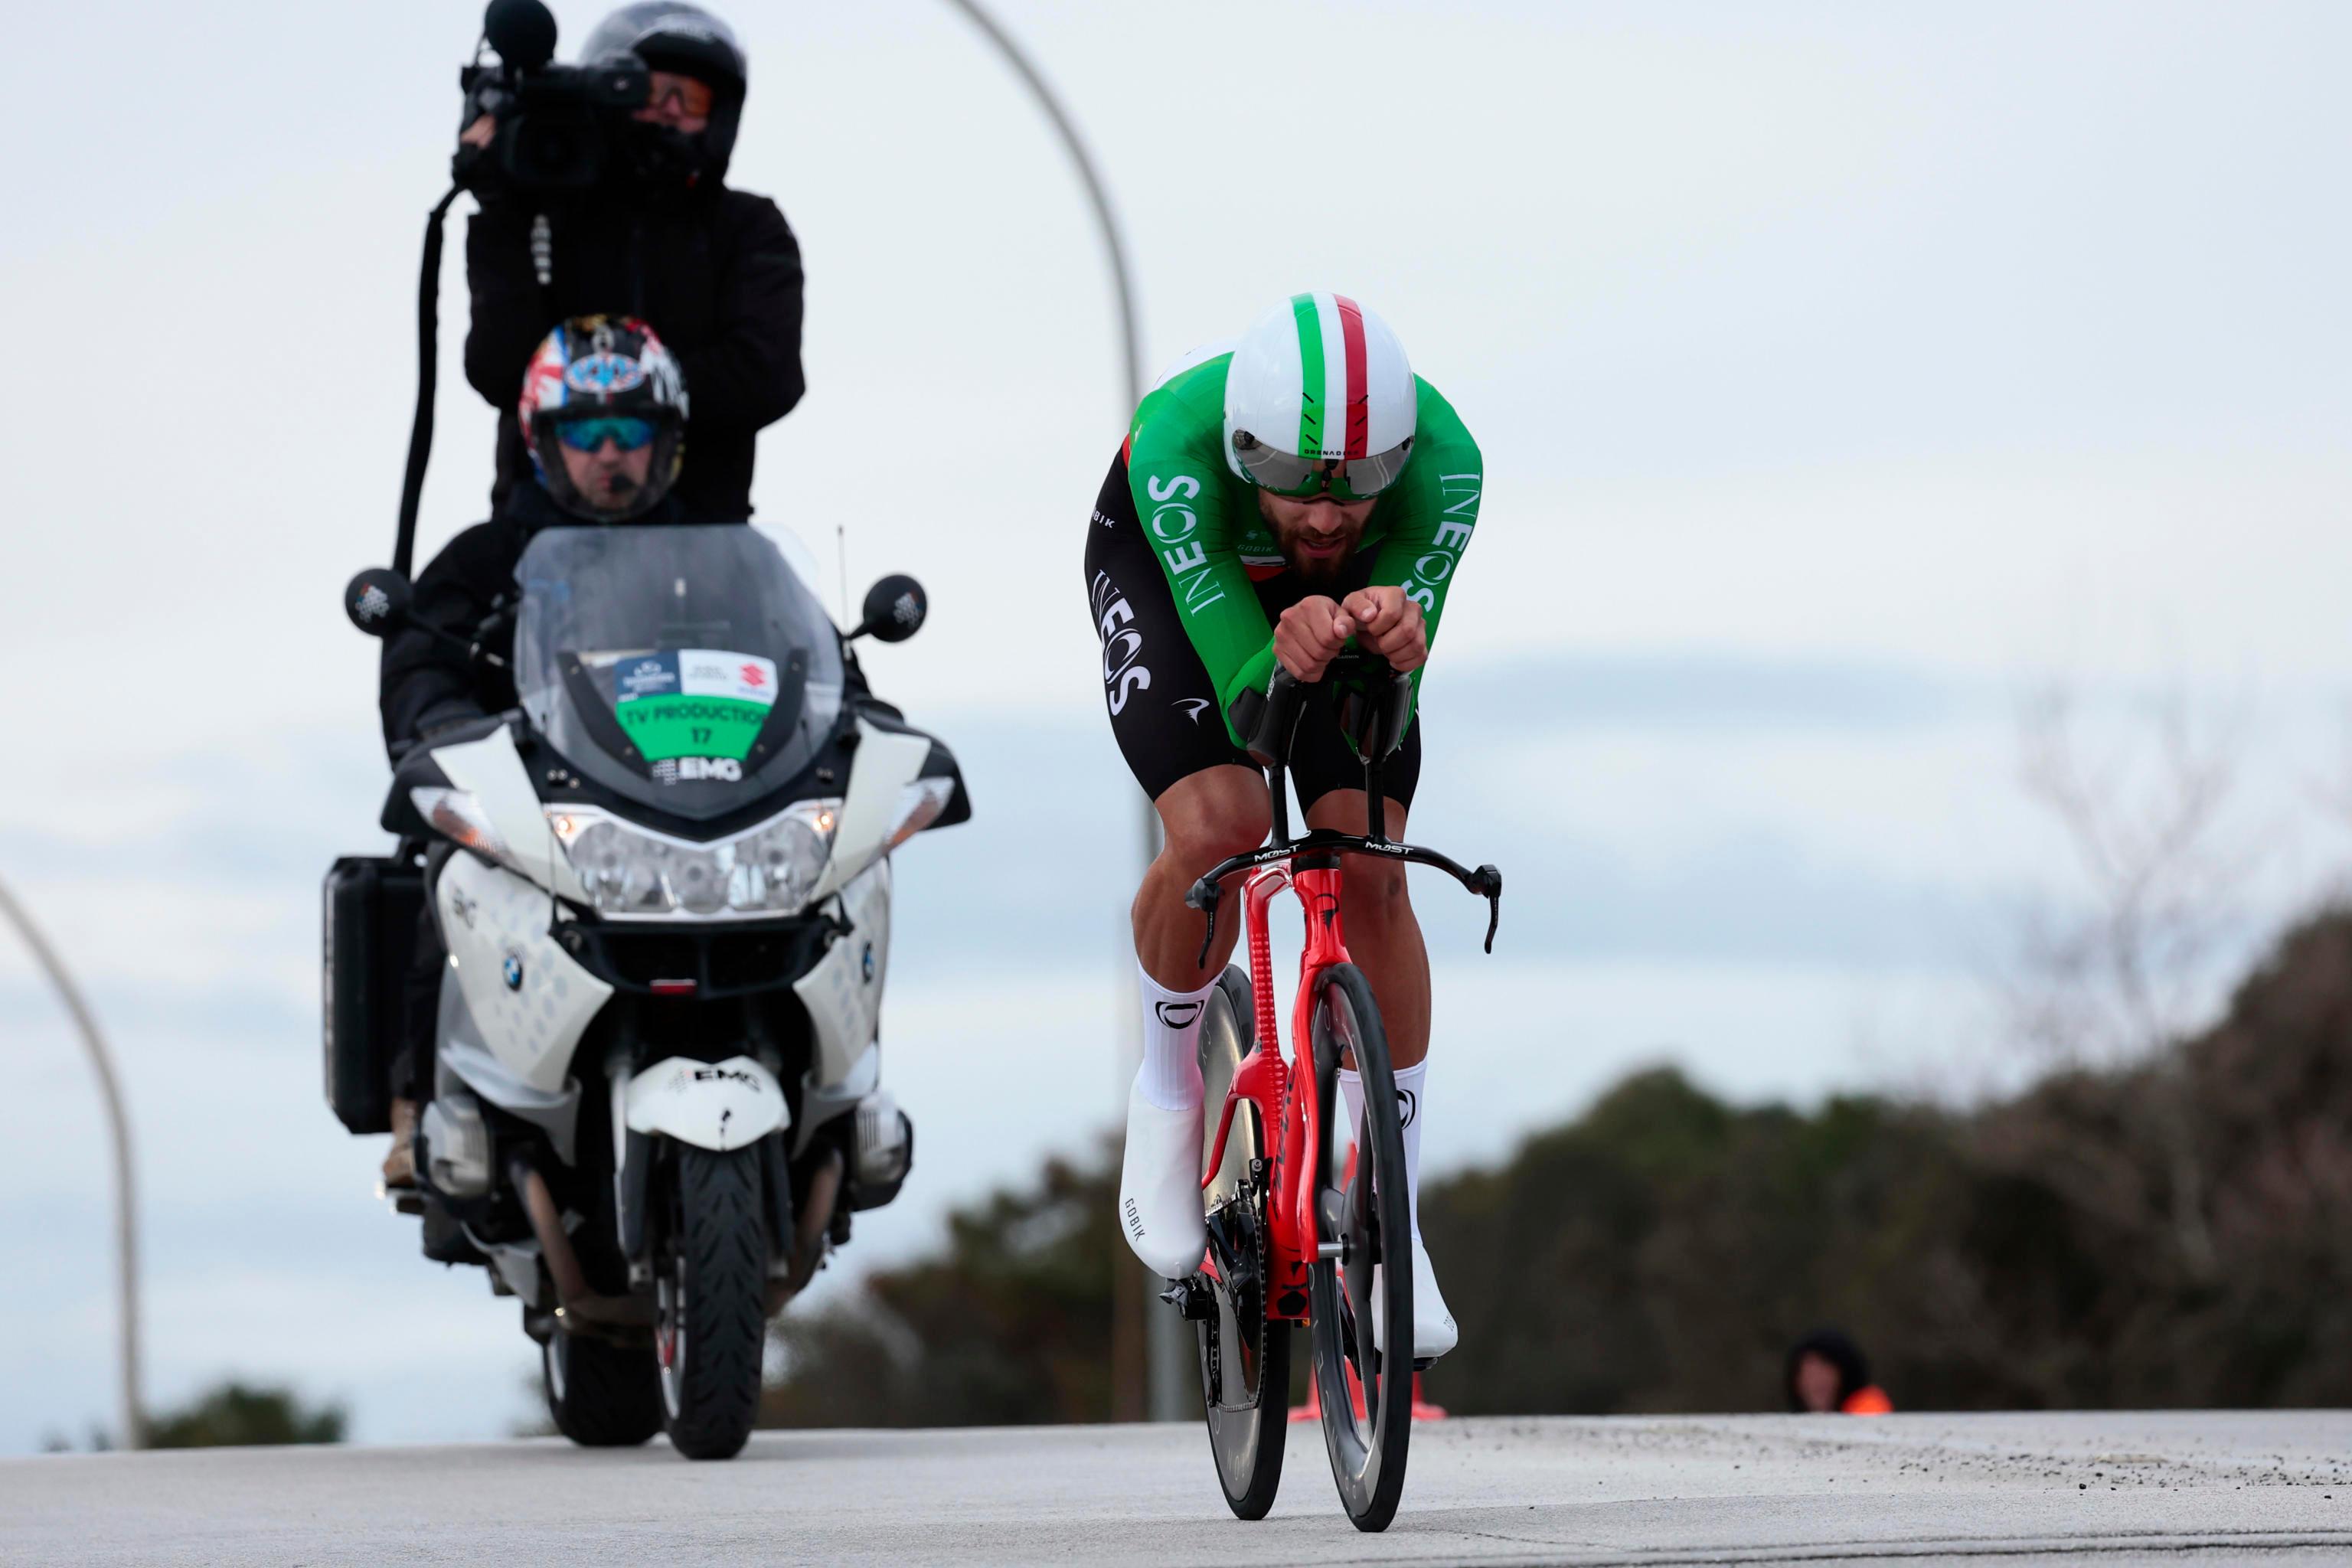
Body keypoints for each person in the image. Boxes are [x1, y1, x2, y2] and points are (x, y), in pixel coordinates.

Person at [1086, 293, 1482, 1360]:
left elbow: (1391, 693)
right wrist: (1279, 653)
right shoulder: (1178, 447)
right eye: (1297, 486)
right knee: (1226, 819)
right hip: (1187, 577)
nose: (1323, 517)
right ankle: (1168, 1090)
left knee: (1375, 865)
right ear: (1242, 447)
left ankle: (1387, 1196)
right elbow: (1253, 709)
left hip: (1341, 615)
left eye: (1358, 486)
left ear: (1397, 458)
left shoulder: (1448, 467)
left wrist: (1391, 626)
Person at [377, 315, 691, 1186]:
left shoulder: (705, 556)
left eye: (631, 430)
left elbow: (799, 656)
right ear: (541, 442)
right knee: (446, 857)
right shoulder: (482, 562)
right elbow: (418, 666)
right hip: (541, 816)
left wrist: (851, 707)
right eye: (585, 433)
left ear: (666, 440)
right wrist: (443, 730)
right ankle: (418, 1107)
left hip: (691, 808)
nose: (610, 453)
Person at [458, 2, 803, 524]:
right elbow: (498, 370)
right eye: (648, 90)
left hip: (707, 546)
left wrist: (621, 391)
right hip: (540, 544)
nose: (668, 108)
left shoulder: (748, 227)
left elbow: (767, 376)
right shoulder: (541, 214)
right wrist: (498, 210)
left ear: (719, 114)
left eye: (691, 98)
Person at [1785, 1328, 1895, 1415]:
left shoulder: (1868, 1406)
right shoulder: (1792, 1425)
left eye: (1824, 1371)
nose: (1816, 1381)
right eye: (1809, 1374)